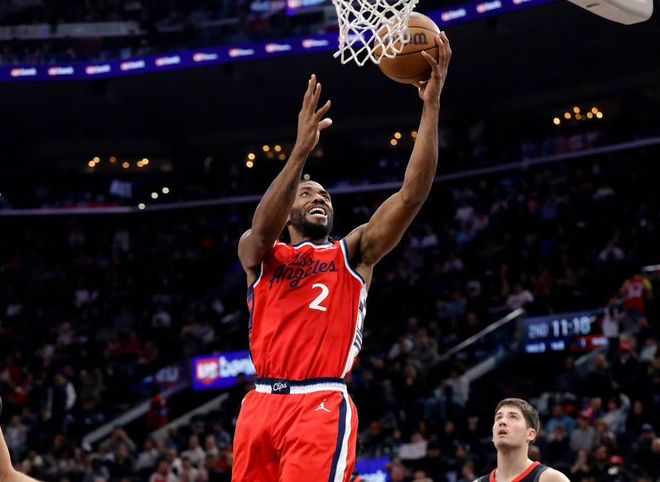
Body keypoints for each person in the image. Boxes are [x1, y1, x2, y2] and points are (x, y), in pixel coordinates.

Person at [232, 34, 452, 481]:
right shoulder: (261, 254)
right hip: (259, 404)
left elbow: (411, 196)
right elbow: (262, 227)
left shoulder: (352, 252)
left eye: (325, 195)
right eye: (308, 193)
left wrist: (430, 105)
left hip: (319, 402)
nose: (320, 197)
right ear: (289, 207)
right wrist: (299, 153)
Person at [475, 398, 570, 482]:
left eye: (513, 417)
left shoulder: (552, 479)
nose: (502, 421)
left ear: (530, 434)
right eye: (499, 417)